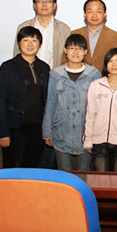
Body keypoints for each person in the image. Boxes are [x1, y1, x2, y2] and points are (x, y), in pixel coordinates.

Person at [42, 34, 100, 171]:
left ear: (85, 52)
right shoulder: (55, 75)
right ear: (65, 50)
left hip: (85, 133)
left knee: (84, 174)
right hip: (61, 132)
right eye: (72, 48)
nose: (75, 52)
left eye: (80, 49)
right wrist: (47, 132)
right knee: (64, 174)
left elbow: (98, 107)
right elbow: (50, 104)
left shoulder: (93, 74)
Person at [0, 26, 50, 168]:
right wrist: (3, 133)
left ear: (40, 44)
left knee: (32, 168)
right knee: (13, 169)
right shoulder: (8, 67)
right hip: (15, 128)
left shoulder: (44, 68)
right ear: (19, 43)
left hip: (37, 128)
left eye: (34, 40)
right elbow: (0, 101)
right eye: (26, 40)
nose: (30, 44)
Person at [83, 48, 117, 172]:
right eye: (110, 61)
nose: (114, 65)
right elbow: (90, 115)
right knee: (100, 178)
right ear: (106, 64)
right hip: (99, 140)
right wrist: (88, 140)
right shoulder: (96, 85)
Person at [14, 0, 71, 68]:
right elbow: (17, 54)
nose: (44, 5)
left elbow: (68, 57)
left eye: (48, 1)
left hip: (54, 74)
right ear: (34, 5)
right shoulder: (24, 27)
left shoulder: (64, 29)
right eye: (40, 1)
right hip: (28, 73)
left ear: (54, 5)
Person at [61, 0, 117, 73]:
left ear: (105, 14)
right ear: (85, 14)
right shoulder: (75, 34)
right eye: (90, 12)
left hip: (104, 78)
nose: (94, 16)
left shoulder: (115, 36)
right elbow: (65, 60)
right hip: (78, 77)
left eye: (98, 12)